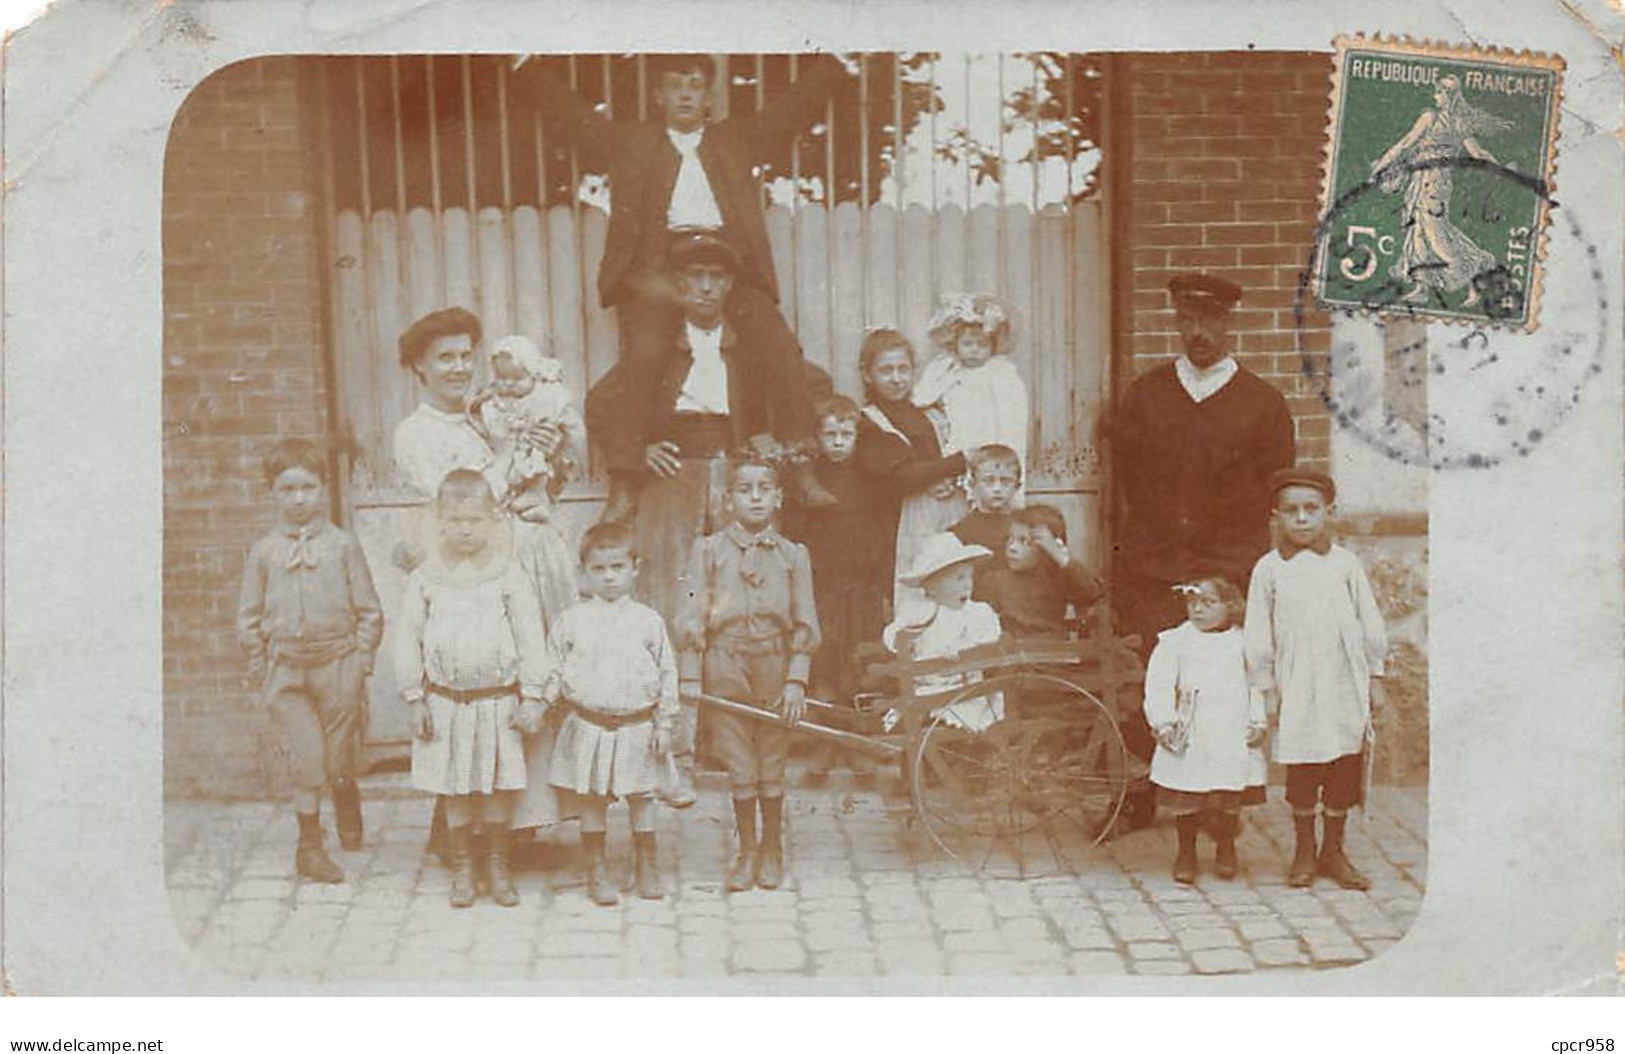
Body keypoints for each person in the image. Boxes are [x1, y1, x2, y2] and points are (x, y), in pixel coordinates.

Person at [532, 52, 849, 515]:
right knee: (645, 355)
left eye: (696, 84)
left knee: (778, 343)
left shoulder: (733, 140)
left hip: (726, 261)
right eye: (676, 84)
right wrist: (526, 68)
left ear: (708, 97)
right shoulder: (634, 141)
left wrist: (834, 66)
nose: (686, 93)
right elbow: (577, 120)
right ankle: (624, 481)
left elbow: (788, 113)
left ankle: (801, 464)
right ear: (659, 95)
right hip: (659, 266)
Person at [588, 232, 822, 807]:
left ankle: (733, 745)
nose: (706, 288)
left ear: (730, 285)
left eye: (717, 278)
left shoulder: (748, 343)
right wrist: (639, 449)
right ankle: (677, 755)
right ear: (677, 285)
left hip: (735, 472)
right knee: (680, 607)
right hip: (675, 476)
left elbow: (803, 383)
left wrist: (772, 434)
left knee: (738, 604)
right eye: (693, 277)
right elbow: (602, 402)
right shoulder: (656, 341)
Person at [1111, 272, 1295, 826]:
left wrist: (1245, 571)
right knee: (1153, 679)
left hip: (1225, 570)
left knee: (1223, 687)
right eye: (1188, 321)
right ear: (1176, 322)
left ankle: (1222, 809)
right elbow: (1126, 484)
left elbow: (1273, 493)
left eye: (1210, 321)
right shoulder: (1146, 395)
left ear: (1228, 323)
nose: (1199, 333)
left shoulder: (1262, 404)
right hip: (1154, 568)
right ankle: (1142, 795)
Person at [391, 308, 579, 843]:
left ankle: (518, 825)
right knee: (484, 691)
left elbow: (528, 486)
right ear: (418, 368)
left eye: (465, 355)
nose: (458, 367)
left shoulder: (486, 412)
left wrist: (544, 458)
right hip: (469, 581)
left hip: (525, 567)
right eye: (444, 358)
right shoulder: (416, 434)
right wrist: (503, 456)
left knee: (532, 684)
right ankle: (461, 830)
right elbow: (459, 506)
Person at [394, 470, 550, 908]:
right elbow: (408, 636)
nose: (464, 529)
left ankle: (498, 864)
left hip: (498, 702)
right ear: (440, 522)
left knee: (499, 786)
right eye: (455, 520)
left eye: (475, 520)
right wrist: (414, 697)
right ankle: (463, 868)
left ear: (493, 521)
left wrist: (533, 694)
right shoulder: (426, 577)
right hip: (447, 703)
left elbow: (530, 635)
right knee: (456, 787)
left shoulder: (507, 575)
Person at [236, 439, 383, 884]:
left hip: (337, 663)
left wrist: (361, 660)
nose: (299, 498)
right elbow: (248, 615)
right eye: (287, 488)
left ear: (322, 490)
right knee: (308, 758)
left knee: (338, 755)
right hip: (287, 669)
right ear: (271, 493)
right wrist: (259, 663)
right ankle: (310, 846)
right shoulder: (263, 552)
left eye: (308, 487)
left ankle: (346, 793)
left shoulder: (343, 545)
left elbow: (370, 609)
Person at [676, 454, 820, 892]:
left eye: (764, 489)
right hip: (724, 663)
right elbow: (690, 616)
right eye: (744, 489)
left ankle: (773, 848)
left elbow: (806, 622)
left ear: (778, 498)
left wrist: (796, 679)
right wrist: (691, 677)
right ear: (727, 500)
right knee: (739, 759)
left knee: (771, 756)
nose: (755, 497)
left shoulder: (794, 556)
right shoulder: (708, 551)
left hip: (774, 663)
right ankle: (748, 850)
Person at [1244, 467, 1388, 891]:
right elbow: (1258, 632)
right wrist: (1266, 688)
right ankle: (1305, 850)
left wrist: (1375, 677)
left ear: (1330, 512)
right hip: (1297, 682)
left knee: (1343, 762)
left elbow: (1370, 622)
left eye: (1312, 509)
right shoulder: (1268, 570)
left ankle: (1334, 851)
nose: (1302, 519)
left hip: (1344, 678)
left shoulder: (1345, 564)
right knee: (1305, 765)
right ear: (1276, 517)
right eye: (1291, 511)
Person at [543, 523, 680, 906]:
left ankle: (646, 864)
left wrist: (664, 723)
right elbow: (553, 669)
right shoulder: (572, 620)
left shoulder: (648, 621)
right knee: (593, 799)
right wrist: (538, 702)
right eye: (598, 568)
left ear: (635, 568)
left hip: (637, 724)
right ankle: (596, 867)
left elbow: (668, 674)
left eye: (617, 567)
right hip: (590, 725)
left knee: (641, 797)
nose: (608, 577)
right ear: (584, 571)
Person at [1143, 576, 1267, 885]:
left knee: (1228, 792)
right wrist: (1164, 721)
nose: (1198, 610)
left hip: (1230, 728)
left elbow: (1256, 686)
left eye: (1208, 603)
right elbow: (1158, 685)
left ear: (1230, 606)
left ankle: (1226, 846)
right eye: (1192, 603)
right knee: (1188, 792)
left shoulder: (1242, 643)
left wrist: (1258, 720)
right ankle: (1186, 851)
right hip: (1192, 730)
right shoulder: (1175, 641)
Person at [853, 328, 969, 615]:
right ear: (868, 375)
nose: (896, 378)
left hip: (944, 516)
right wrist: (956, 464)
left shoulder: (929, 414)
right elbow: (897, 477)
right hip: (895, 524)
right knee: (912, 595)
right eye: (886, 371)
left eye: (903, 369)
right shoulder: (869, 422)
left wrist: (948, 479)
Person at [781, 395, 883, 720]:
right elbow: (796, 531)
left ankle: (857, 722)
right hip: (822, 581)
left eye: (846, 435)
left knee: (860, 651)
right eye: (830, 435)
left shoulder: (868, 475)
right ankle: (824, 726)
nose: (838, 443)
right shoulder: (809, 479)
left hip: (862, 582)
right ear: (818, 437)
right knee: (825, 648)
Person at [1369, 74, 1511, 306]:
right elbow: (1479, 154)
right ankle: (1423, 287)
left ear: (1447, 96)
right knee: (1418, 235)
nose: (1435, 96)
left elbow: (1404, 145)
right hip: (1434, 182)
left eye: (1439, 92)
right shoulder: (1459, 123)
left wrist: (1379, 168)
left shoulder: (1430, 117)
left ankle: (1478, 264)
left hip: (1430, 183)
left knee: (1436, 237)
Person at [882, 532, 1004, 734]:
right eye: (958, 578)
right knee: (912, 709)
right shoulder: (921, 611)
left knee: (957, 711)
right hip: (927, 687)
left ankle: (944, 736)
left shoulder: (978, 613)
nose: (967, 584)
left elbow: (989, 644)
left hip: (967, 691)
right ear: (931, 588)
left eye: (969, 577)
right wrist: (904, 641)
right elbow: (893, 633)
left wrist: (964, 652)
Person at [469, 333, 585, 522]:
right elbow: (480, 418)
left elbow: (572, 427)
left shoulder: (545, 398)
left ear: (533, 375)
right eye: (502, 377)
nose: (508, 384)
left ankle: (536, 497)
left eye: (517, 378)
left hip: (533, 450)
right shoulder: (494, 400)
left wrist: (568, 441)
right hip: (506, 460)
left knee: (539, 466)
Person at [913, 292, 1030, 470]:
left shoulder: (1000, 372)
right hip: (960, 431)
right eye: (967, 344)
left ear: (993, 346)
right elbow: (922, 398)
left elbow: (1011, 414)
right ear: (955, 344)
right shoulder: (947, 369)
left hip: (991, 432)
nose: (974, 350)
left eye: (982, 345)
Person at [980, 503, 1104, 640]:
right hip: (1012, 654)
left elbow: (1092, 593)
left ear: (1046, 549)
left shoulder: (1057, 579)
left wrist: (1061, 558)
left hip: (1052, 653)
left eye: (1024, 541)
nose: (1012, 547)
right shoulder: (995, 581)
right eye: (1010, 539)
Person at [948, 444, 1023, 599]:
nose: (997, 488)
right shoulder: (960, 533)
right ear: (972, 484)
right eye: (989, 481)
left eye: (1005, 481)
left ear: (1017, 486)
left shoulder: (1025, 527)